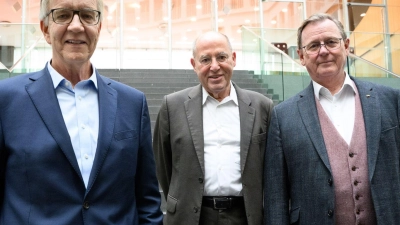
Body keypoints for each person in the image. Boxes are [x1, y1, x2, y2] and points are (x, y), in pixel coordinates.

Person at [0, 0, 163, 224]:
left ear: (99, 27)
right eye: (63, 14)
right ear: (45, 29)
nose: (76, 26)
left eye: (87, 15)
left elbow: (147, 200)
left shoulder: (133, 103)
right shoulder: (6, 99)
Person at [264, 13, 400, 225]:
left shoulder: (390, 100)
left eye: (331, 42)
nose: (324, 51)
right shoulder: (282, 116)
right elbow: (276, 197)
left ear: (346, 46)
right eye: (313, 46)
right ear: (301, 56)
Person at [153, 31, 274, 225]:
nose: (215, 66)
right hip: (191, 216)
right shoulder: (172, 106)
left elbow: (271, 169)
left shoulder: (262, 106)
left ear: (233, 59)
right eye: (205, 59)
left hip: (246, 216)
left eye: (222, 57)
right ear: (194, 65)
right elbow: (164, 166)